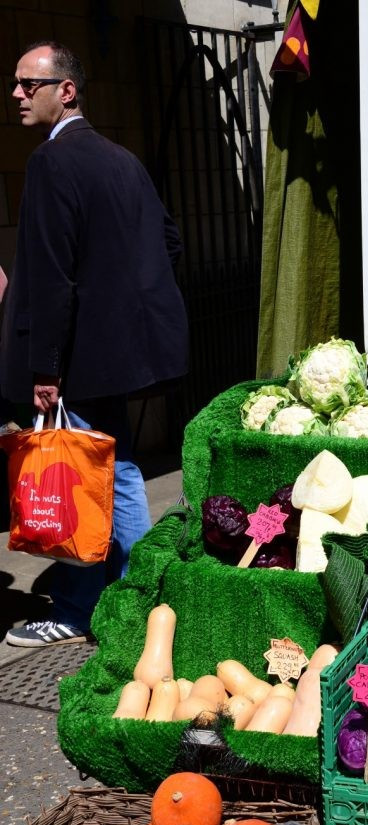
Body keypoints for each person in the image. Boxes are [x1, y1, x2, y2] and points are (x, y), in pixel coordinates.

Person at [0, 41, 188, 647]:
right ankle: (135, 599)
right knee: (115, 467)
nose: (17, 95)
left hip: (82, 355)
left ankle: (103, 605)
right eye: (18, 84)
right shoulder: (121, 159)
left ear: (67, 90)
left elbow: (53, 274)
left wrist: (45, 366)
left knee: (94, 477)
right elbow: (169, 243)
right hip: (122, 351)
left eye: (30, 84)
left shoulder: (51, 163)